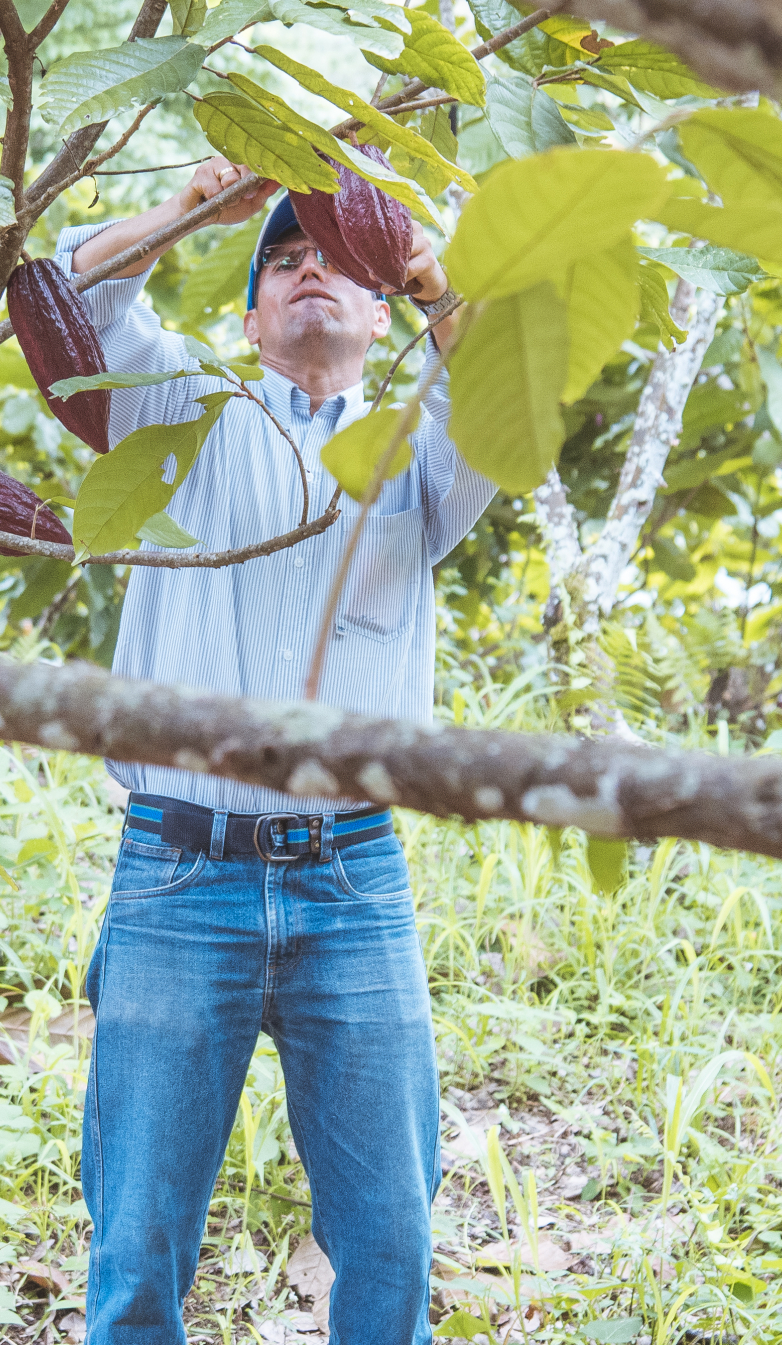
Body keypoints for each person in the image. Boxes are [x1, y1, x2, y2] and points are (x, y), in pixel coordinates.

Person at [53, 155, 499, 1345]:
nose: (310, 273)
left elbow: (511, 407)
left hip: (352, 879)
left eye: (337, 263)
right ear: (248, 315)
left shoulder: (417, 449)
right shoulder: (181, 404)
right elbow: (67, 294)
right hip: (176, 873)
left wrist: (425, 267)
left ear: (378, 312)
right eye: (284, 262)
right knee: (137, 1242)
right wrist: (201, 202)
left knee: (393, 1234)